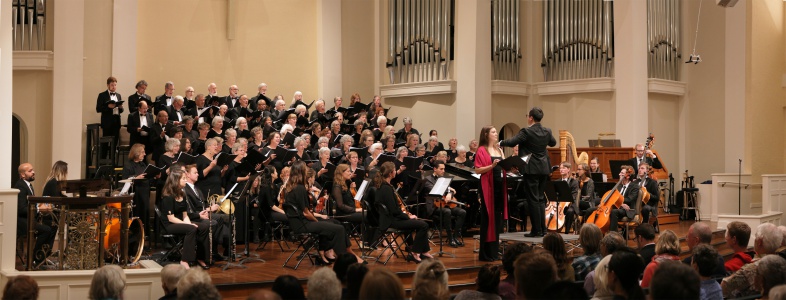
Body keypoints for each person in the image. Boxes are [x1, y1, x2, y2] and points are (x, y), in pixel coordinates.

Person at [499, 107, 557, 237]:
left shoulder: (526, 131)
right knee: (541, 199)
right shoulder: (547, 130)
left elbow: (513, 141)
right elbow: (553, 143)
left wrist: (501, 142)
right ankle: (543, 229)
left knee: (533, 199)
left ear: (530, 117)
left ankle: (536, 230)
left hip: (531, 168)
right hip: (544, 168)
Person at [282, 161, 352, 265]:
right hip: (303, 224)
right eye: (305, 169)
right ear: (301, 172)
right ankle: (343, 259)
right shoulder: (300, 188)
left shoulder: (290, 187)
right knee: (339, 228)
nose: (307, 171)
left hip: (297, 223)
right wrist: (316, 221)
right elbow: (306, 213)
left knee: (334, 222)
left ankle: (324, 252)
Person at [375, 162, 432, 263]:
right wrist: (407, 217)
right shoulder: (386, 189)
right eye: (394, 170)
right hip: (391, 221)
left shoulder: (384, 186)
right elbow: (394, 211)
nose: (395, 171)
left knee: (418, 223)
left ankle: (423, 251)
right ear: (390, 173)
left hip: (389, 219)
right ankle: (415, 253)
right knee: (423, 225)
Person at [161, 171, 209, 269]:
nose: (185, 180)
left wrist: (189, 223)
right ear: (176, 181)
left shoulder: (182, 195)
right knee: (191, 229)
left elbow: (185, 215)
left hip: (180, 222)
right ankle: (185, 260)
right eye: (183, 178)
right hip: (169, 225)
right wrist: (189, 225)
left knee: (204, 226)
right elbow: (171, 218)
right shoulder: (168, 196)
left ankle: (200, 257)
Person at [723, 223, 783, 298]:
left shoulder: (751, 269)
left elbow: (724, 287)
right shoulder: (782, 262)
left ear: (759, 242)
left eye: (755, 237)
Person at [475, 125, 507, 261]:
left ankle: (494, 252)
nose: (496, 134)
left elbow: (504, 165)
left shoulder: (499, 150)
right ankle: (486, 253)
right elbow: (477, 170)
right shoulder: (481, 150)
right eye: (493, 132)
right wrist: (492, 166)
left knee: (497, 219)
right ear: (486, 134)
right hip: (488, 186)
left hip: (499, 186)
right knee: (488, 219)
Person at [422, 160, 467, 247]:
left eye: (444, 169)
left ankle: (455, 237)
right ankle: (450, 239)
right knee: (447, 212)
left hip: (444, 204)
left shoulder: (443, 179)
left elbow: (451, 191)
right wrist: (449, 190)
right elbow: (436, 191)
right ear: (435, 169)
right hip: (434, 206)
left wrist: (450, 193)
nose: (443, 171)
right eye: (441, 169)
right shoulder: (427, 180)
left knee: (462, 212)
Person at [122, 144, 154, 237]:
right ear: (136, 153)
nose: (144, 154)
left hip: (144, 193)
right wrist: (136, 178)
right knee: (138, 214)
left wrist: (154, 176)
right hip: (136, 194)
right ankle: (136, 237)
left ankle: (144, 236)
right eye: (142, 152)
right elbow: (125, 180)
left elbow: (146, 178)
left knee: (145, 214)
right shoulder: (128, 165)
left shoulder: (143, 164)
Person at [604, 165, 639, 233]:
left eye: (622, 173)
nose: (619, 174)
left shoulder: (634, 187)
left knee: (614, 212)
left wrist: (619, 203)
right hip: (618, 207)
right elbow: (612, 197)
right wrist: (620, 203)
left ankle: (613, 235)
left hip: (627, 210)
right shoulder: (618, 185)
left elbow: (629, 199)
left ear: (628, 176)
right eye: (620, 173)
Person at [96, 76, 124, 142]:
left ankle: (114, 152)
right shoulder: (102, 95)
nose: (114, 87)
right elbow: (98, 109)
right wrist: (108, 107)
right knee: (105, 142)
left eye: (115, 85)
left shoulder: (118, 95)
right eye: (112, 85)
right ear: (108, 85)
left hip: (116, 122)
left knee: (115, 142)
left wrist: (121, 108)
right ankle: (104, 153)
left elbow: (121, 111)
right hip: (107, 122)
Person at [634, 162, 660, 229]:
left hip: (650, 204)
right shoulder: (635, 182)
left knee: (645, 208)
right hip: (637, 204)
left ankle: (644, 228)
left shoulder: (652, 182)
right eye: (639, 168)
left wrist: (647, 194)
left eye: (642, 168)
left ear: (647, 171)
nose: (640, 170)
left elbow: (657, 198)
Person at [556, 162, 580, 234]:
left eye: (563, 168)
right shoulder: (557, 182)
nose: (561, 170)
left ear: (568, 169)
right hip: (558, 204)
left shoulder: (574, 182)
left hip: (570, 204)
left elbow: (573, 196)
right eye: (560, 168)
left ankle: (567, 232)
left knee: (570, 211)